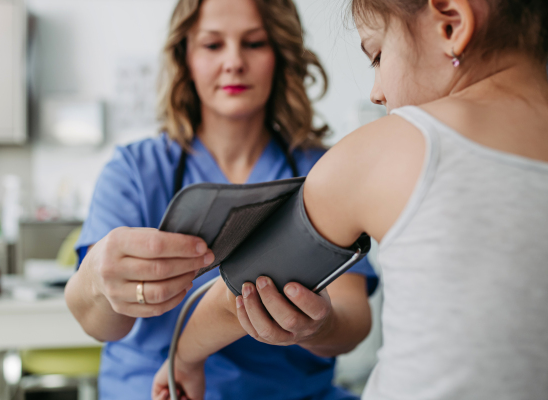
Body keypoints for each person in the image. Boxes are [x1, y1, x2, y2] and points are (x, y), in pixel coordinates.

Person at [152, 0, 548, 399]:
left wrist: (183, 358)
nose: (376, 93)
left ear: (451, 25)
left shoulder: (388, 148)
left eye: (377, 55)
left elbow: (240, 288)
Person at [64, 0, 378, 399]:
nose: (233, 62)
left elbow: (354, 318)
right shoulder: (135, 171)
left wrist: (320, 325)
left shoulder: (323, 171)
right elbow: (98, 324)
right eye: (213, 45)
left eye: (254, 43)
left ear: (280, 54)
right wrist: (97, 278)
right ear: (186, 58)